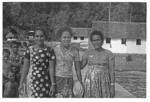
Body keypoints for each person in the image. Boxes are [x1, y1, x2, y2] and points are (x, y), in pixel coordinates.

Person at [18, 29, 56, 98]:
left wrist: (53, 84)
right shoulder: (29, 50)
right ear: (34, 37)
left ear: (44, 37)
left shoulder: (50, 50)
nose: (39, 38)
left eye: (41, 36)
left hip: (45, 82)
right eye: (37, 36)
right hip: (32, 82)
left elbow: (51, 68)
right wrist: (21, 83)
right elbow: (25, 67)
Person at [81, 31, 115, 98]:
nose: (96, 42)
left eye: (98, 40)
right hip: (90, 83)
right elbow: (80, 66)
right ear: (91, 42)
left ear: (102, 41)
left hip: (104, 83)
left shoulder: (109, 54)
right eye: (94, 40)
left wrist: (112, 86)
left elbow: (112, 71)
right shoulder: (87, 53)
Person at [54, 26, 83, 98]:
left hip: (69, 80)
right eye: (64, 37)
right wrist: (52, 82)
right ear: (60, 38)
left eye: (69, 37)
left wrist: (80, 82)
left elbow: (78, 70)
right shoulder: (54, 50)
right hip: (57, 79)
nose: (67, 39)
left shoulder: (75, 51)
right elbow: (51, 67)